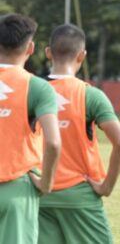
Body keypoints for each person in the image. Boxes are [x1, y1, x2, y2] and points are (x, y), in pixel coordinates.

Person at [38, 24, 120, 244]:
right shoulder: (91, 95)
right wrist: (107, 186)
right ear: (83, 55)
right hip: (81, 195)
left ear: (48, 53)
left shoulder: (32, 90)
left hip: (39, 194)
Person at [0, 14, 61, 244]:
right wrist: (46, 183)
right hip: (18, 187)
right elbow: (54, 142)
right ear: (31, 47)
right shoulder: (37, 87)